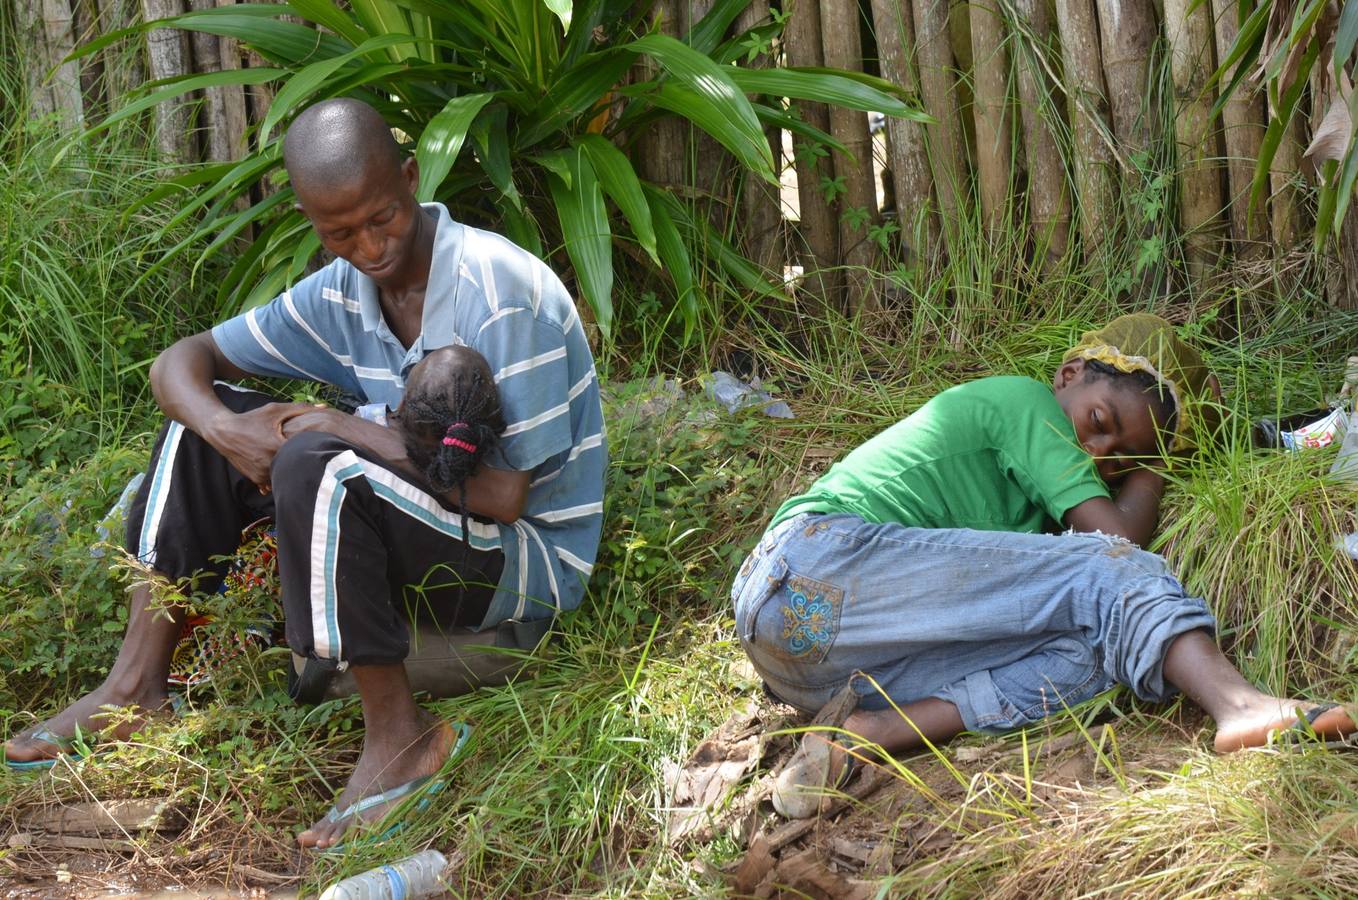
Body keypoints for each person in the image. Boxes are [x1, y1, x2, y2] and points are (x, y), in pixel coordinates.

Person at [3, 98, 607, 850]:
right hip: (435, 536)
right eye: (339, 232)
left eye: (382, 218)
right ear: (310, 222)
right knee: (209, 418)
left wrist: (340, 427)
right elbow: (180, 362)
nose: (370, 246)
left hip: (525, 572)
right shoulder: (341, 295)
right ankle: (136, 687)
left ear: (412, 178)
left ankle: (399, 738)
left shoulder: (500, 293)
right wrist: (225, 426)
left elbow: (503, 496)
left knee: (318, 457)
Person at [732, 314, 1356, 819]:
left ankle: (866, 736)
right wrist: (1159, 462)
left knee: (1093, 652)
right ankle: (1239, 705)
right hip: (813, 563)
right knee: (1102, 568)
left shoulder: (1033, 529)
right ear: (1070, 373)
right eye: (1100, 422)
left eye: (1118, 462)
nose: (1096, 452)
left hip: (819, 670)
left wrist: (1159, 451)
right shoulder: (1022, 401)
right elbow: (1119, 545)